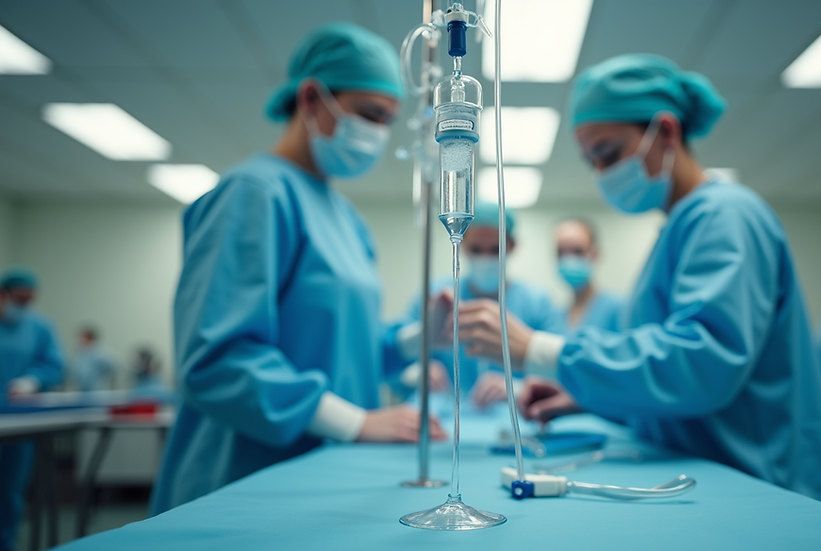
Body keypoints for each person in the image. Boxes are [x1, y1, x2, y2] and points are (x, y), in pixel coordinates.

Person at [456, 54, 821, 509]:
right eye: (591, 162)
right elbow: (669, 383)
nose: (602, 174)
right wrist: (588, 398)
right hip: (710, 475)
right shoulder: (678, 230)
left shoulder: (727, 216)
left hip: (768, 487)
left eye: (607, 154)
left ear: (665, 131)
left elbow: (700, 362)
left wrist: (539, 350)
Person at [150, 23, 445, 515]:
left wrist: (420, 338)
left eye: (388, 121)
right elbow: (216, 359)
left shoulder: (347, 218)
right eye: (370, 114)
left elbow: (346, 344)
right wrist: (354, 422)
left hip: (322, 473)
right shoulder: (253, 194)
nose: (377, 133)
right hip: (243, 480)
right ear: (311, 98)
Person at [403, 203, 563, 409]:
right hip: (442, 418)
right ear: (461, 244)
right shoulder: (435, 297)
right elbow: (393, 356)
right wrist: (417, 372)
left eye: (496, 249)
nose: (486, 257)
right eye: (477, 249)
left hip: (513, 419)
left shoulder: (538, 303)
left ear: (511, 246)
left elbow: (561, 370)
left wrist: (518, 388)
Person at [0, 267, 64, 551]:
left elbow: (56, 365)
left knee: (9, 491)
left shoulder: (40, 325)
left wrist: (32, 380)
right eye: (19, 298)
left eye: (29, 299)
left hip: (19, 422)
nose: (24, 305)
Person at [554, 218, 622, 335]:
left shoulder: (618, 308)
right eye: (561, 252)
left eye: (578, 251)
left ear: (595, 254)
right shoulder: (558, 314)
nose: (569, 259)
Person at [71, 326, 117, 392]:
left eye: (82, 337)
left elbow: (114, 364)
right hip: (82, 391)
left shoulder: (99, 352)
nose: (79, 340)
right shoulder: (81, 354)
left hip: (97, 391)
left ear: (89, 338)